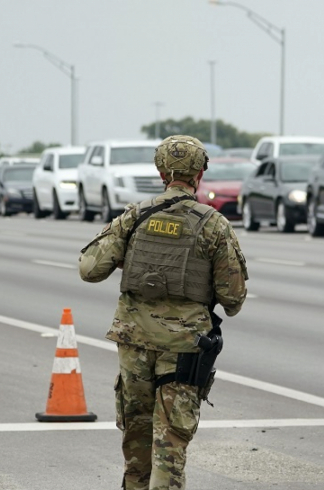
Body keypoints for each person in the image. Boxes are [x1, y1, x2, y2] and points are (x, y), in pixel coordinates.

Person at [78, 135, 248, 490]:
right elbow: (232, 299)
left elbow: (90, 268)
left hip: (133, 340)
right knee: (170, 440)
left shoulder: (135, 216)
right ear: (201, 173)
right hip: (184, 346)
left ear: (160, 172)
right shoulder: (214, 225)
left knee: (137, 432)